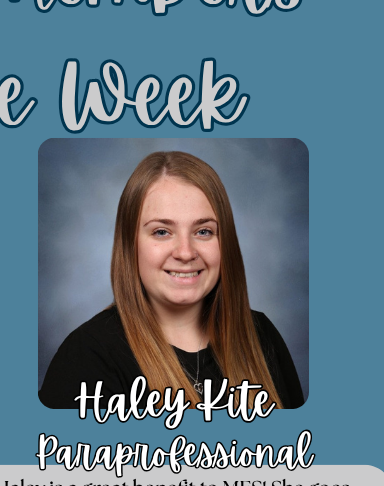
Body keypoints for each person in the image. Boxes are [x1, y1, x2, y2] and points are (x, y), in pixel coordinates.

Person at [39, 151, 303, 410]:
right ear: (129, 245)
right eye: (162, 232)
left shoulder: (261, 336)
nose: (186, 253)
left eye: (204, 231)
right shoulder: (87, 356)